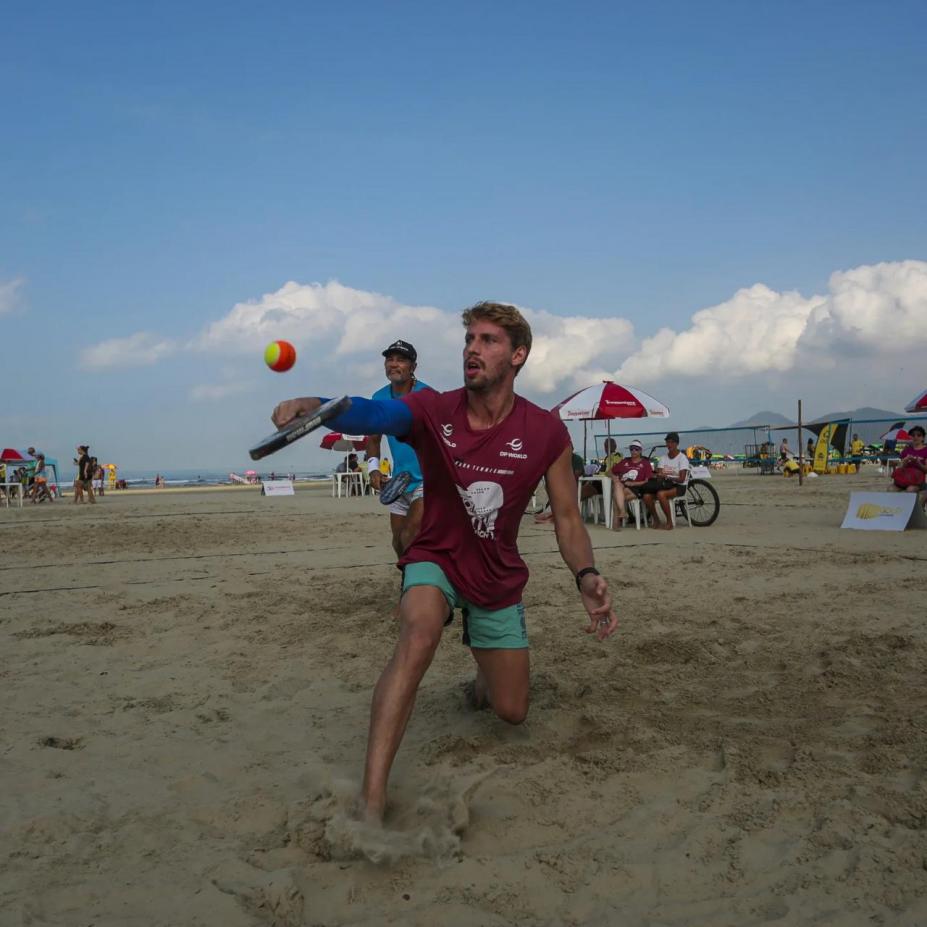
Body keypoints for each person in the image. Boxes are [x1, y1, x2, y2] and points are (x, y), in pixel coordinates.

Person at [271, 301, 617, 823]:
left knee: (511, 711)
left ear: (518, 355)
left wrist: (586, 575)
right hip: (436, 555)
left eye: (488, 341)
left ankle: (480, 675)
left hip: (497, 576)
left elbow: (568, 518)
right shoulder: (434, 409)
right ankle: (372, 801)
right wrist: (316, 403)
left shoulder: (545, 431)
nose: (472, 350)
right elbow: (378, 412)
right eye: (469, 340)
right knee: (418, 633)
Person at [365, 340, 431, 557]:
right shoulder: (379, 398)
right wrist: (374, 469)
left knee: (410, 535)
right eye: (390, 359)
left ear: (413, 367)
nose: (393, 364)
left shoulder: (427, 397)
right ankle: (411, 581)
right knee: (398, 543)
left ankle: (418, 588)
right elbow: (373, 439)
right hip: (400, 481)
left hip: (428, 481)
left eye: (401, 360)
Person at [642, 432, 689, 530]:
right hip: (665, 485)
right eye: (668, 442)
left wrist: (667, 476)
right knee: (646, 496)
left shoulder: (682, 458)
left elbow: (681, 479)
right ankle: (656, 520)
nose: (669, 445)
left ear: (677, 444)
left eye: (672, 442)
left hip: (679, 487)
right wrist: (658, 475)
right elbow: (659, 477)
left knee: (661, 494)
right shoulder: (663, 458)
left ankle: (669, 521)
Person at [609, 439, 654, 529]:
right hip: (623, 486)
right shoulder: (625, 461)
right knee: (618, 485)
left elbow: (647, 481)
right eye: (631, 449)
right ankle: (622, 512)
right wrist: (614, 477)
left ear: (640, 450)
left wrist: (634, 484)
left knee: (616, 496)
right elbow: (610, 471)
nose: (633, 451)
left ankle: (616, 521)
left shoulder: (645, 463)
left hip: (636, 488)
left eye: (636, 449)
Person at [890, 425, 927, 492]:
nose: (915, 437)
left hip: (918, 481)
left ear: (923, 437)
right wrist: (905, 461)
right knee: (890, 489)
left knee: (910, 489)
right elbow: (901, 467)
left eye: (919, 435)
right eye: (913, 435)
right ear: (910, 437)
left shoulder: (926, 450)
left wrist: (918, 463)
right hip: (904, 479)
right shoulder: (906, 450)